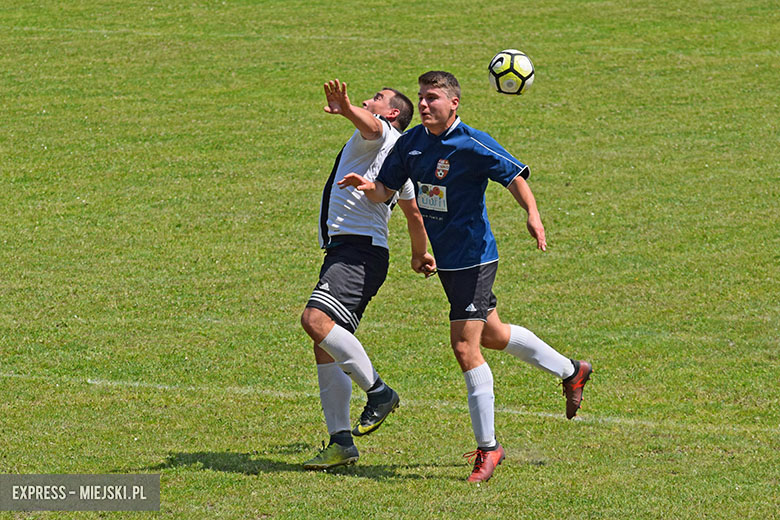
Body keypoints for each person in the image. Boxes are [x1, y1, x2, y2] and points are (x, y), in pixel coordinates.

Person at [339, 70, 592, 482]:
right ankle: (571, 370)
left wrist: (533, 214)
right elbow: (387, 189)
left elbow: (513, 175)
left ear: (453, 103)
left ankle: (489, 449)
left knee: (464, 346)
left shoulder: (471, 142)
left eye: (432, 98)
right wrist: (367, 187)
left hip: (475, 259)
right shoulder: (411, 144)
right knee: (491, 334)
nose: (423, 104)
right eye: (421, 97)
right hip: (448, 261)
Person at [301, 79, 436, 471]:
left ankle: (379, 393)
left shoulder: (381, 134)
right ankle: (341, 442)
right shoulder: (398, 161)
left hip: (358, 252)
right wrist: (419, 254)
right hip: (357, 252)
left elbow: (372, 125)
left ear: (393, 113)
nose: (367, 101)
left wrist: (345, 108)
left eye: (376, 98)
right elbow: (413, 213)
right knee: (324, 342)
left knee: (314, 320)